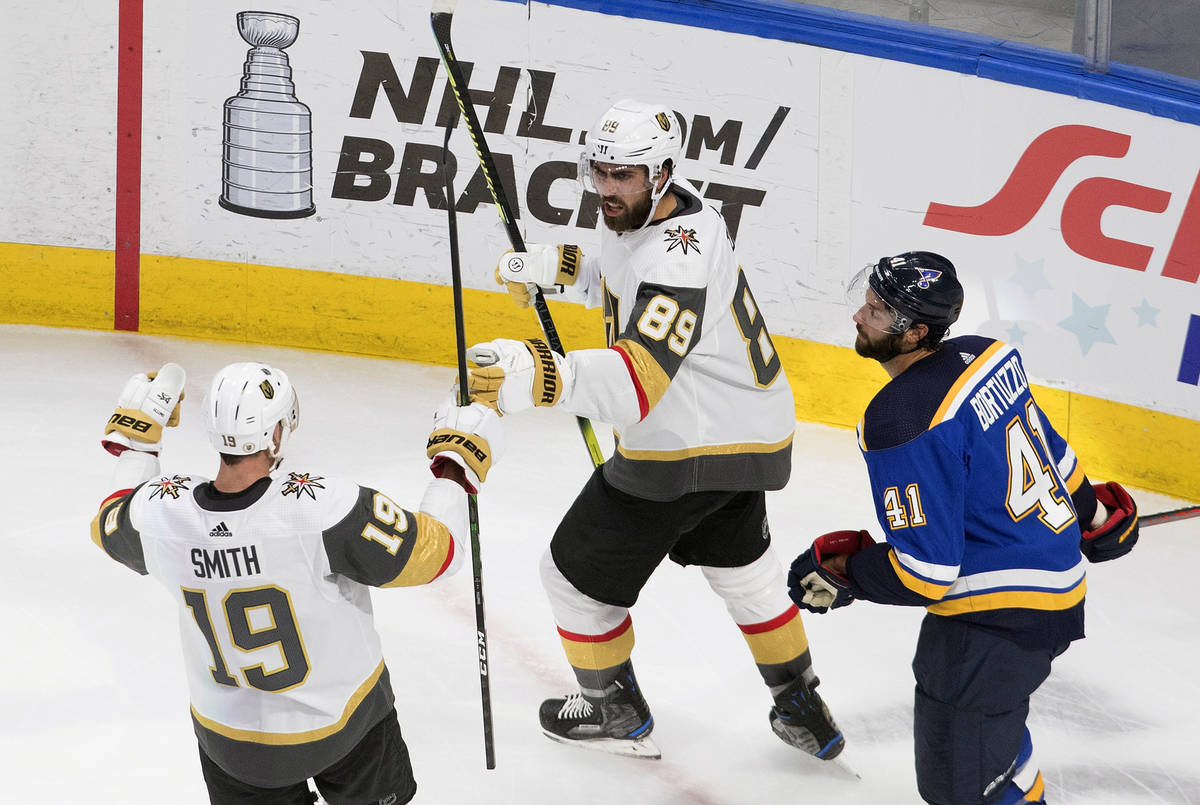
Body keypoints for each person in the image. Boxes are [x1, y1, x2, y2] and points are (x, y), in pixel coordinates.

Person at [465, 98, 844, 761]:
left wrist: (538, 373)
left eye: (625, 176)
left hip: (688, 448)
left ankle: (615, 713)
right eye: (600, 172)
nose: (608, 190)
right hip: (749, 433)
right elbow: (621, 279)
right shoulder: (671, 211)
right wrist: (555, 268)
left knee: (570, 577)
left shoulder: (678, 261)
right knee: (744, 570)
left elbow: (637, 380)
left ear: (662, 172)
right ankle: (802, 703)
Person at [788, 251, 1140, 804]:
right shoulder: (990, 357)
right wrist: (1094, 515)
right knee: (993, 750)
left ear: (915, 332)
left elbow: (926, 570)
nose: (859, 316)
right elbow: (1051, 451)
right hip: (1058, 596)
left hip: (990, 630)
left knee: (962, 789)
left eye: (877, 312)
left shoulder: (900, 419)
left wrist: (847, 572)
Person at [90, 361, 503, 804]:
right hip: (346, 730)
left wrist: (137, 444)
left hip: (233, 747)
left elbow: (108, 521)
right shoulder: (323, 508)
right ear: (274, 434)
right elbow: (436, 553)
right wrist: (456, 463)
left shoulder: (160, 513)